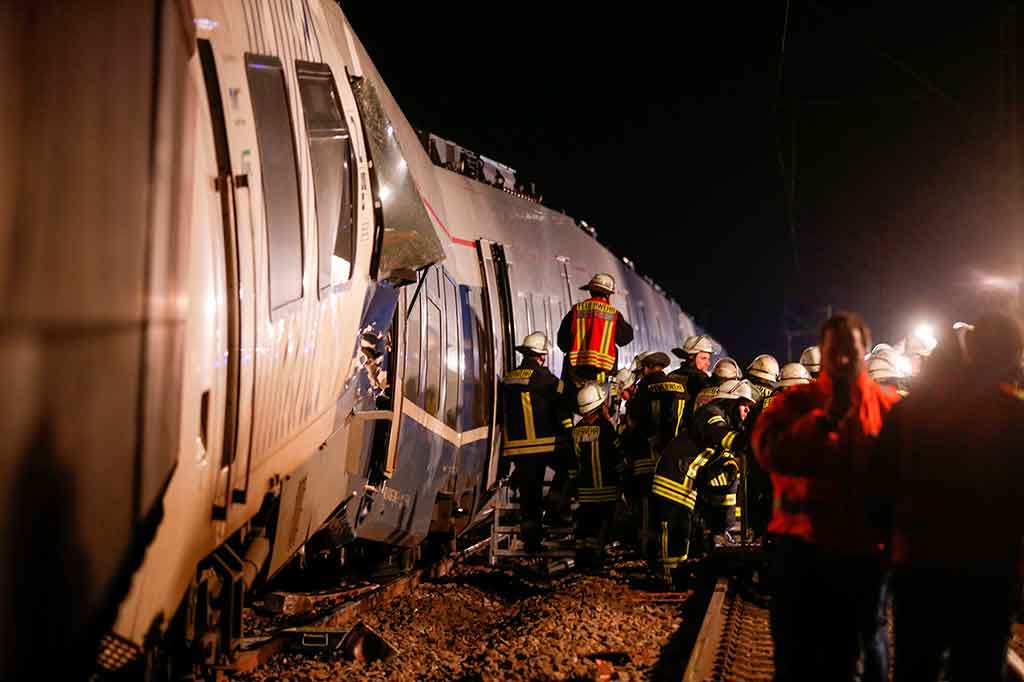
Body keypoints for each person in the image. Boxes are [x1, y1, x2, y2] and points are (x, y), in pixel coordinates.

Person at [870, 312, 1024, 682]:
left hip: (920, 571)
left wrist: (891, 549)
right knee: (977, 669)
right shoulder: (1015, 417)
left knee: (916, 669)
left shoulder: (909, 412)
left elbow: (876, 487)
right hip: (988, 576)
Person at [752, 312, 900, 682]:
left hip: (863, 548)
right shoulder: (795, 403)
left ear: (864, 351)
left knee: (867, 644)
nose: (845, 359)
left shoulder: (888, 406)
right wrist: (824, 420)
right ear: (824, 352)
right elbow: (769, 453)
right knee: (795, 648)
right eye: (837, 351)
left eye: (852, 350)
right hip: (801, 543)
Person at [500, 332, 574, 552]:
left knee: (529, 496)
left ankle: (531, 541)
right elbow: (564, 403)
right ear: (542, 356)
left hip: (518, 448)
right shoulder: (548, 380)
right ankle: (555, 506)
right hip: (545, 444)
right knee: (570, 468)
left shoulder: (509, 378)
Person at [622, 351, 687, 556]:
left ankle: (648, 548)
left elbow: (637, 423)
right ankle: (668, 548)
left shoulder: (643, 389)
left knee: (647, 505)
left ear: (647, 367)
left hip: (647, 457)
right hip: (673, 460)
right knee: (670, 505)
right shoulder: (679, 387)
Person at [690, 378, 755, 543]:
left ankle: (717, 531)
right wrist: (754, 436)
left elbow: (718, 448)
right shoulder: (712, 414)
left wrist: (729, 461)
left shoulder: (725, 417)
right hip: (678, 477)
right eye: (743, 405)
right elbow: (724, 437)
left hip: (690, 472)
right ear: (730, 403)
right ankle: (715, 531)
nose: (747, 410)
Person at [571, 381, 625, 567]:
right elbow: (616, 457)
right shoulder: (606, 429)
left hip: (585, 491)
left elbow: (575, 459)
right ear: (599, 405)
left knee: (585, 525)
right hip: (607, 489)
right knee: (602, 525)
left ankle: (582, 557)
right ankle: (595, 559)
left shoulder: (576, 430)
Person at [557, 273, 634, 388]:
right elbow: (626, 338)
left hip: (575, 376)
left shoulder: (576, 310)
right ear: (608, 294)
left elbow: (562, 342)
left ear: (591, 291)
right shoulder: (613, 314)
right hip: (602, 379)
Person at [669, 335, 715, 423]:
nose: (708, 363)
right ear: (691, 357)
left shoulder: (671, 375)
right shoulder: (701, 379)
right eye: (703, 358)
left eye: (708, 359)